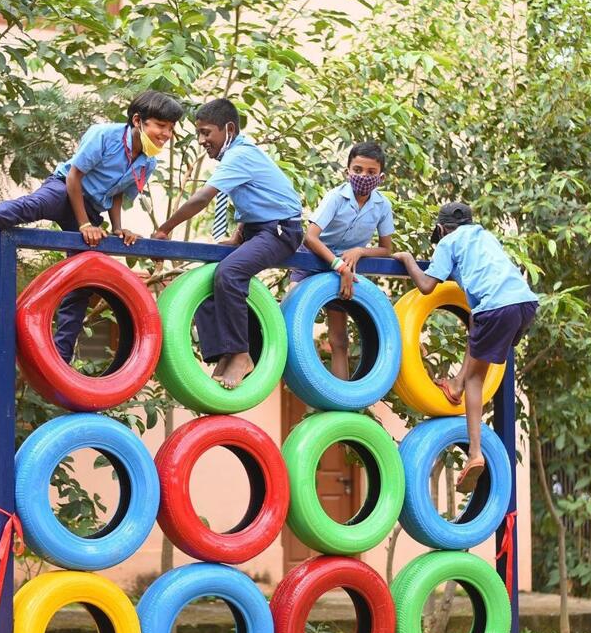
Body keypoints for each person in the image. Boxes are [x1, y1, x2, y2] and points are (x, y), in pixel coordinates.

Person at [0, 90, 184, 362]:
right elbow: (74, 176)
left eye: (171, 128)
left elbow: (118, 193)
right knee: (32, 206)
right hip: (65, 190)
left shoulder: (148, 162)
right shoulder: (104, 135)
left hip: (92, 207)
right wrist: (82, 224)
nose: (166, 134)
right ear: (138, 120)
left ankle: (61, 355)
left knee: (84, 278)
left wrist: (118, 228)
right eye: (160, 126)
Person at [152, 98, 303, 389]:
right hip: (257, 229)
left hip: (282, 231)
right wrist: (240, 234)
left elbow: (202, 198)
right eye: (198, 133)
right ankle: (224, 350)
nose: (201, 140)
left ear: (229, 129)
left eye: (207, 133)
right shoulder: (235, 156)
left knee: (230, 273)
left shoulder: (240, 155)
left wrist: (165, 229)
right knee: (207, 272)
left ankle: (242, 354)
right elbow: (258, 198)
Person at [392, 203, 539, 492]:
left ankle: (474, 452)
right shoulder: (484, 236)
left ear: (442, 228)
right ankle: (457, 383)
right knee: (476, 321)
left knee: (476, 377)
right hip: (525, 304)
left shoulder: (447, 241)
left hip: (496, 308)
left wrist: (409, 260)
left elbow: (425, 286)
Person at [290, 141, 394, 379]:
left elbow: (386, 249)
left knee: (339, 339)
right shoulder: (335, 197)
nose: (363, 176)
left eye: (371, 172)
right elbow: (311, 237)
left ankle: (341, 396)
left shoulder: (382, 206)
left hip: (345, 264)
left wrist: (360, 251)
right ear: (347, 171)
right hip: (314, 259)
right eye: (357, 170)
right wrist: (337, 265)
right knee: (292, 320)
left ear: (381, 177)